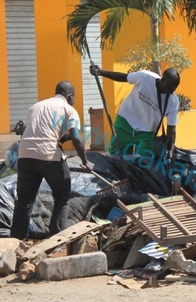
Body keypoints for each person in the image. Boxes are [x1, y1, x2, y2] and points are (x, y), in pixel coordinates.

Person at [10, 81, 94, 240]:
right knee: (62, 196)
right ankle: (57, 241)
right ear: (69, 95)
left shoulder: (35, 106)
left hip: (25, 155)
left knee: (24, 200)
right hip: (49, 157)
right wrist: (85, 160)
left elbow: (38, 131)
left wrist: (60, 138)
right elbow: (76, 137)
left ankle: (16, 241)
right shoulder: (69, 110)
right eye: (73, 96)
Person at [89, 65, 180, 158]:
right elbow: (124, 77)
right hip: (125, 122)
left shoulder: (173, 101)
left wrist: (170, 150)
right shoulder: (144, 77)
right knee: (115, 158)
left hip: (146, 133)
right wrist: (100, 72)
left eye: (173, 89)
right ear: (162, 79)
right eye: (168, 87)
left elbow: (171, 128)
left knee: (144, 163)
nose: (169, 91)